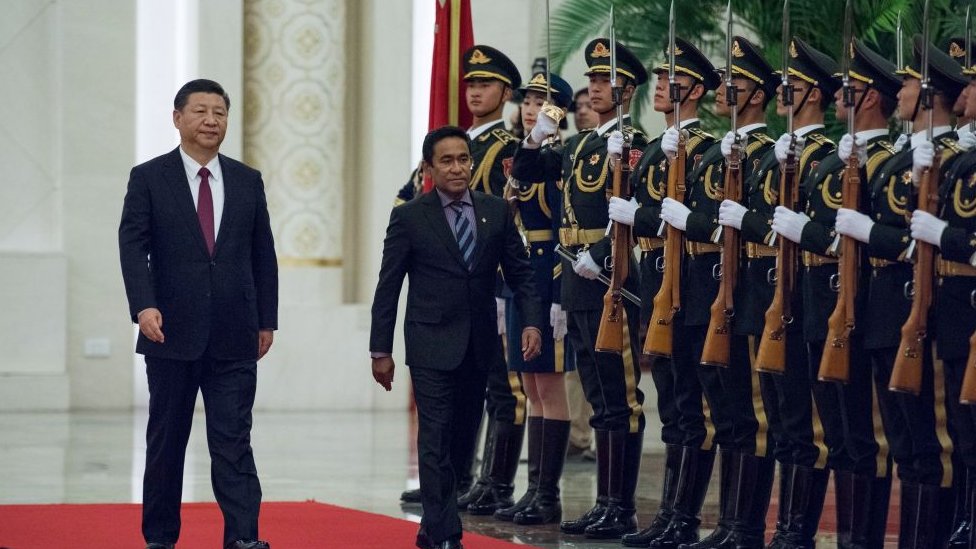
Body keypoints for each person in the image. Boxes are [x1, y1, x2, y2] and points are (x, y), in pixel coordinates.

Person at [118, 79, 278, 549]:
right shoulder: (149, 177)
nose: (211, 120)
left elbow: (262, 254)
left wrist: (266, 319)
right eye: (201, 111)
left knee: (234, 440)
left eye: (220, 113)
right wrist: (143, 305)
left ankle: (243, 538)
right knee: (167, 441)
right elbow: (132, 247)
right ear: (178, 118)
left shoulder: (247, 180)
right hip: (170, 332)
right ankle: (160, 538)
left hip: (235, 333)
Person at [369, 125, 542, 549]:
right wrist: (380, 350)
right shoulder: (410, 216)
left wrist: (533, 322)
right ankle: (446, 532)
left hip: (479, 345)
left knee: (463, 441)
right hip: (429, 345)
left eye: (463, 159)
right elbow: (388, 286)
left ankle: (432, 527)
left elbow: (521, 274)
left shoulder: (495, 212)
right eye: (446, 161)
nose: (457, 168)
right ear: (429, 168)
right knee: (434, 437)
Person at [512, 37, 649, 540]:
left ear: (626, 90)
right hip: (576, 276)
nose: (593, 87)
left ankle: (620, 506)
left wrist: (606, 255)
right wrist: (535, 137)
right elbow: (526, 171)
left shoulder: (633, 142)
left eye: (604, 79)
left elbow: (635, 211)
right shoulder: (581, 144)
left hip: (611, 278)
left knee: (621, 395)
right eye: (591, 78)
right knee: (596, 392)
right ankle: (604, 504)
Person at [836, 35, 966, 546]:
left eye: (909, 83)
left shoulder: (953, 159)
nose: (901, 90)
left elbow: (920, 239)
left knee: (933, 442)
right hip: (882, 308)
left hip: (926, 309)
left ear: (929, 92)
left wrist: (873, 231)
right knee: (903, 443)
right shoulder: (892, 158)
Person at [773, 39, 900, 548]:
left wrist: (805, 231)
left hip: (859, 307)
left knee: (863, 433)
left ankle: (860, 539)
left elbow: (868, 238)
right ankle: (843, 537)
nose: (840, 93)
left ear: (869, 97)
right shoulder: (833, 159)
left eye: (851, 86)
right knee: (837, 432)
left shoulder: (882, 160)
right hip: (816, 302)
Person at [398, 46, 528, 516]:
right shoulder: (453, 143)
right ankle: (455, 479)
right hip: (450, 288)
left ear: (506, 93)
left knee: (502, 390)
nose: (475, 92)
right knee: (466, 392)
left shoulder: (507, 149)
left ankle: (496, 482)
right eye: (471, 84)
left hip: (490, 284)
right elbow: (409, 200)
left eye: (485, 84)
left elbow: (506, 216)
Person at [662, 36, 779, 549]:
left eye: (737, 81)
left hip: (744, 293)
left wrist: (695, 223)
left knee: (745, 411)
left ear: (757, 95)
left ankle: (745, 526)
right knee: (720, 411)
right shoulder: (715, 151)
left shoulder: (767, 153)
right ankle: (725, 523)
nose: (724, 87)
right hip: (703, 290)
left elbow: (757, 227)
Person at [720, 37, 836, 548]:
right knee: (774, 417)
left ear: (814, 94)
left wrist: (750, 221)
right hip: (761, 292)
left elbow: (801, 228)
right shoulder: (776, 153)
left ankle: (795, 531)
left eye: (794, 84)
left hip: (799, 294)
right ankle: (755, 527)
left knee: (799, 418)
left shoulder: (823, 156)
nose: (783, 91)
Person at [493, 71, 575, 526]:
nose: (530, 109)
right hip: (521, 278)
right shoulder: (523, 156)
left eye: (541, 102)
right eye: (527, 101)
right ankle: (533, 488)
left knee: (550, 384)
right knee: (530, 386)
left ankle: (548, 494)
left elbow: (565, 225)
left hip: (548, 277)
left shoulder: (559, 159)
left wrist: (560, 294)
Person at [912, 54, 976, 549]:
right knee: (961, 428)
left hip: (970, 304)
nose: (963, 93)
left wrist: (944, 237)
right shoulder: (961, 159)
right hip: (952, 308)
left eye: (972, 86)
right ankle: (962, 523)